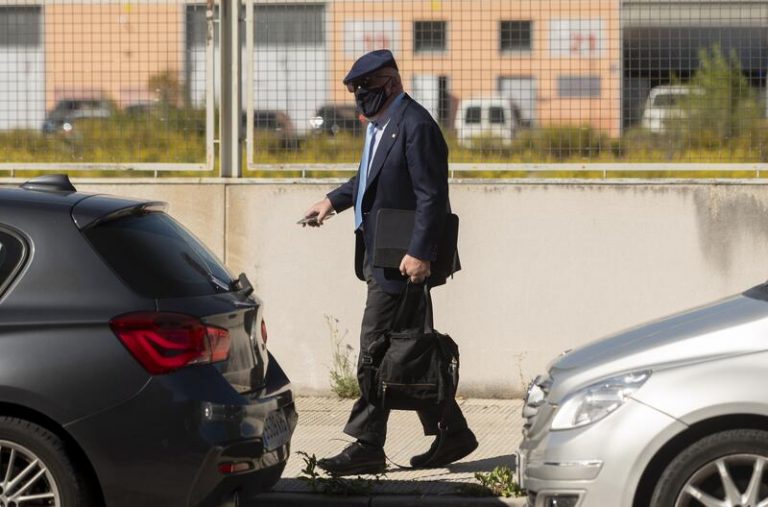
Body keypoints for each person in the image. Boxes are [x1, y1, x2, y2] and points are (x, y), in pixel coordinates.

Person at [302, 49, 477, 476]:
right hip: (381, 256)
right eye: (357, 90)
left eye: (368, 87)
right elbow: (367, 177)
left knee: (374, 351)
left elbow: (431, 196)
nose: (361, 96)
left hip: (402, 261)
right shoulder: (381, 126)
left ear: (392, 84)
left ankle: (367, 444)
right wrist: (332, 201)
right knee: (407, 350)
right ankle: (452, 431)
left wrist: (420, 252)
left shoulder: (416, 126)